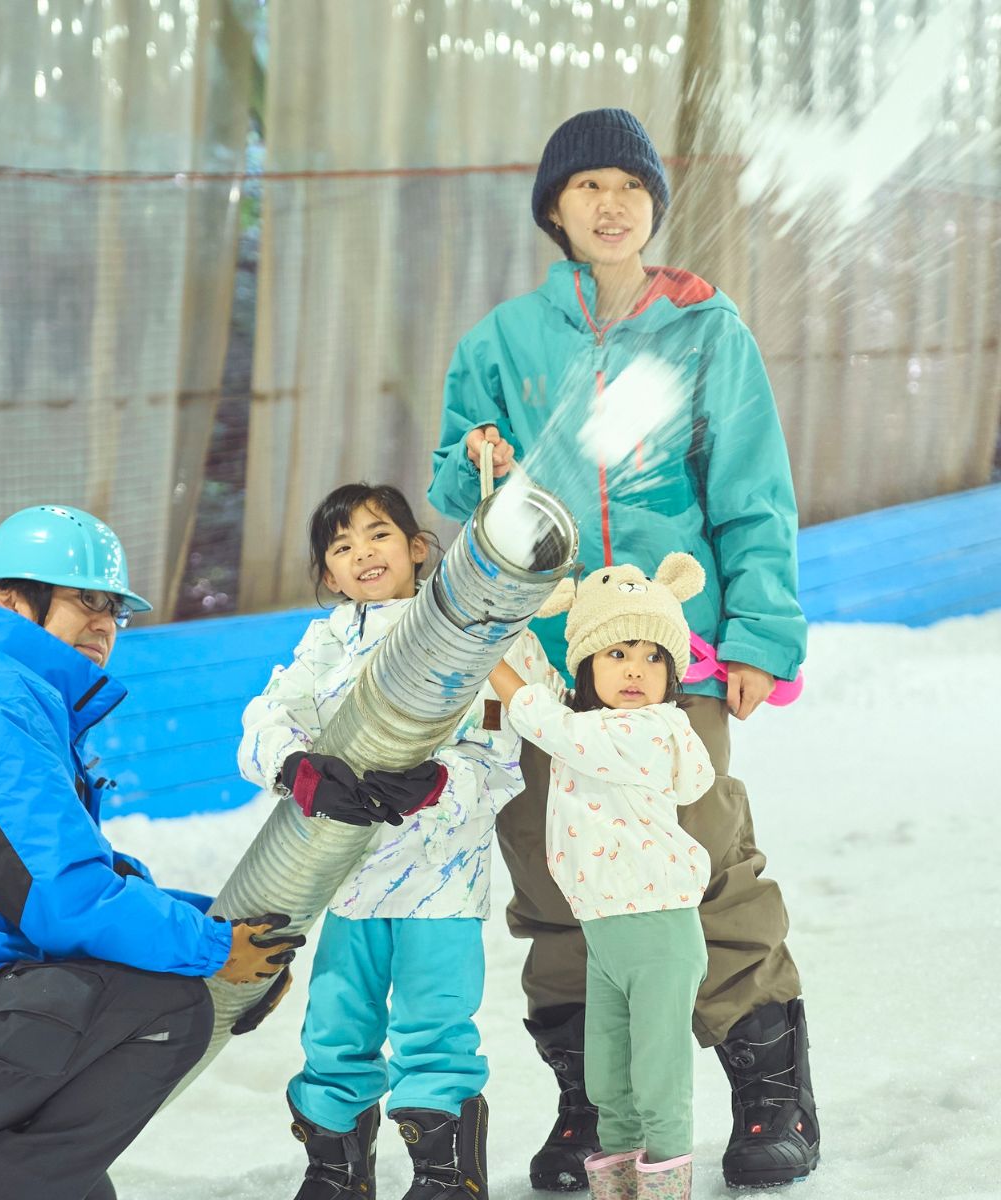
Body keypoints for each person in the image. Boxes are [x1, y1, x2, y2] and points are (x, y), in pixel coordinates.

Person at [428, 108, 819, 1191]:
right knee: (554, 871)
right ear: (554, 207)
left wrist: (761, 633)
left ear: (654, 205)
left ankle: (768, 1090)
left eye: (632, 188)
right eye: (589, 186)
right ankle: (589, 1103)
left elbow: (752, 492)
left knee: (704, 856)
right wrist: (476, 460)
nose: (613, 205)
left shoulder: (704, 328)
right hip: (542, 658)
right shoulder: (501, 341)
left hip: (666, 651)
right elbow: (452, 489)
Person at [0, 504, 302, 1200]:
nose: (104, 623)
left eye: (114, 611)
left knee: (80, 1192)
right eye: (84, 600)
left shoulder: (7, 698)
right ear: (7, 598)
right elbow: (65, 903)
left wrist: (214, 926)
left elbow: (83, 882)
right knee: (170, 1004)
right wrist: (213, 951)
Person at [238, 482, 525, 1200]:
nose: (362, 551)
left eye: (378, 534)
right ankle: (335, 1168)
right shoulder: (326, 641)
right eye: (341, 545)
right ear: (328, 575)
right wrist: (294, 767)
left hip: (440, 881)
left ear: (418, 549)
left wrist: (438, 782)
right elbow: (267, 720)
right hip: (348, 882)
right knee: (335, 1026)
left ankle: (445, 1172)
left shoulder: (478, 631)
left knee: (433, 1025)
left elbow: (505, 746)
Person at [489, 554, 714, 1200]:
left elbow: (546, 721)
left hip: (659, 934)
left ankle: (668, 1187)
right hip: (608, 935)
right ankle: (616, 1190)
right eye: (616, 653)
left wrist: (494, 667)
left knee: (657, 1081)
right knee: (609, 1086)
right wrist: (501, 625)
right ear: (587, 664)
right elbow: (543, 686)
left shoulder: (652, 729)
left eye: (651, 656)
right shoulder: (589, 723)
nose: (636, 670)